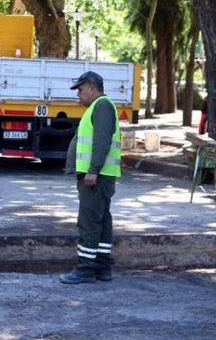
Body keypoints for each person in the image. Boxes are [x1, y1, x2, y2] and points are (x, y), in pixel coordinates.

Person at [59, 71, 121, 285]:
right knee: (101, 220)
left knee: (89, 221)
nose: (78, 94)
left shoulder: (101, 106)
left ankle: (85, 269)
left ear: (92, 88)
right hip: (101, 175)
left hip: (96, 176)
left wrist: (93, 170)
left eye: (80, 89)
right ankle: (102, 267)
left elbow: (102, 141)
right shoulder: (100, 106)